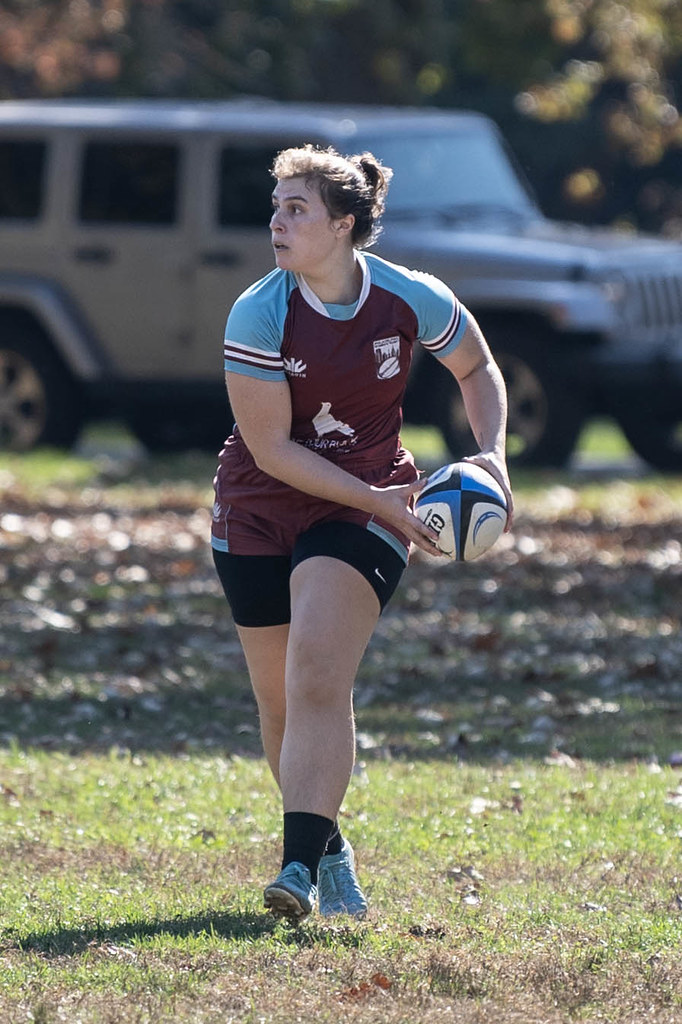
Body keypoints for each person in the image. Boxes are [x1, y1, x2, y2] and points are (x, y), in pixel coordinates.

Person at [211, 143, 513, 922]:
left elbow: (476, 368)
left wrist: (492, 455)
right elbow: (272, 450)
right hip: (259, 503)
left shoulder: (410, 297)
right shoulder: (259, 310)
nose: (276, 223)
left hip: (366, 505)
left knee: (317, 671)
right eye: (276, 207)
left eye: (296, 209)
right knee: (278, 702)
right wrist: (374, 497)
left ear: (343, 224)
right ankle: (330, 849)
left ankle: (295, 872)